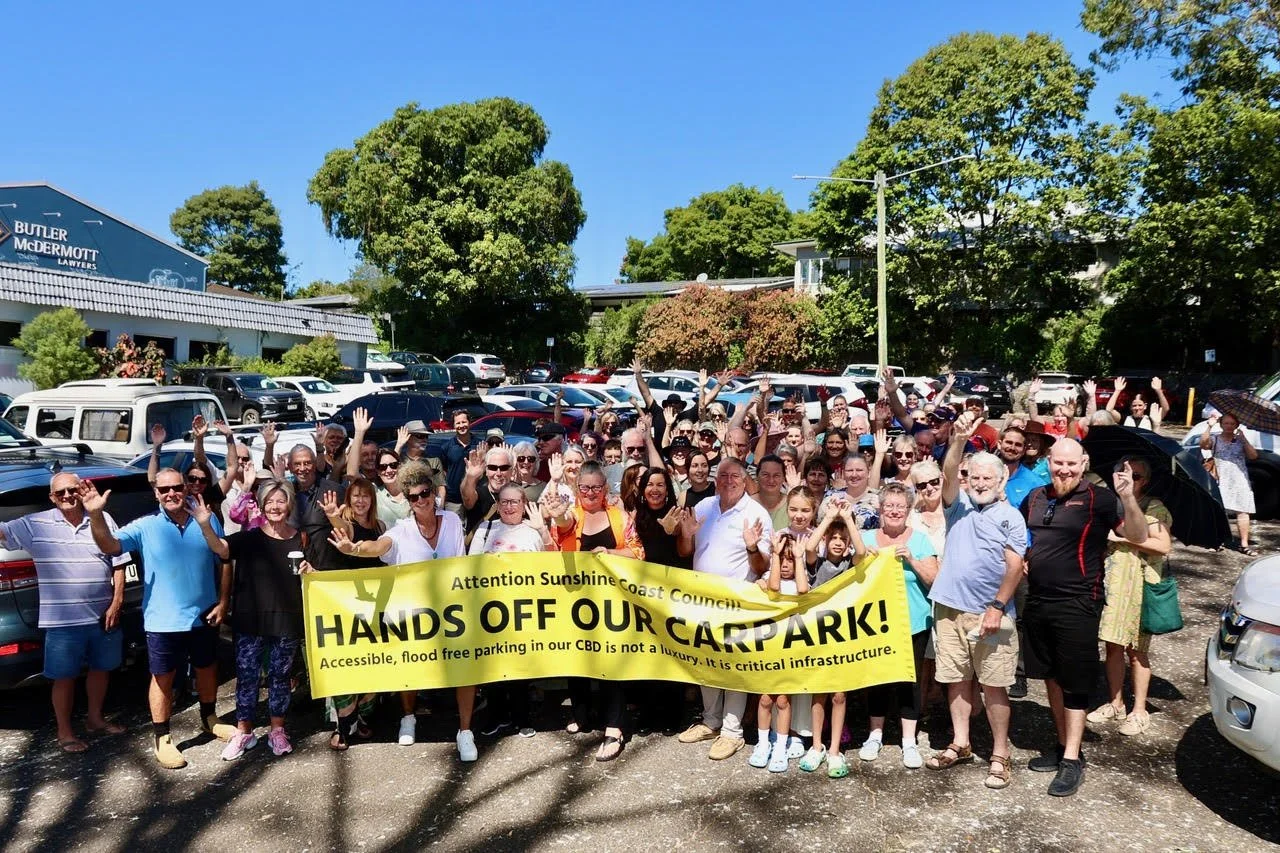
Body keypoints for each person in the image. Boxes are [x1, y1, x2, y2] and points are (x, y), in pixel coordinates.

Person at [1020, 437, 1151, 797]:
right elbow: (1019, 537)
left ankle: (1073, 760)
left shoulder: (1102, 499)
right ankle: (1063, 746)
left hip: (1079, 603)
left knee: (1075, 682)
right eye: (1058, 463)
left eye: (1072, 464)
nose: (1064, 469)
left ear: (1083, 464)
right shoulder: (1035, 497)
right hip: (1039, 601)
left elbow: (1138, 536)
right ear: (1049, 462)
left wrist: (1127, 497)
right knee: (1048, 677)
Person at [83, 470, 236, 770]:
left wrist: (223, 601)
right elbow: (110, 546)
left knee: (207, 668)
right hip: (162, 621)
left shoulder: (206, 517)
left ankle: (209, 717)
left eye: (176, 487)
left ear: (185, 488)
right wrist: (96, 516)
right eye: (163, 489)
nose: (171, 494)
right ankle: (162, 738)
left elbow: (225, 560)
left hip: (203, 613)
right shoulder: (145, 526)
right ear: (155, 493)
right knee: (163, 679)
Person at [328, 460, 475, 761]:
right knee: (411, 666)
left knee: (465, 667)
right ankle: (408, 718)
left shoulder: (451, 522)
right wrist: (355, 548)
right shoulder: (401, 529)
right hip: (412, 613)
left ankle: (465, 731)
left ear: (433, 493)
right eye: (413, 497)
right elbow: (379, 546)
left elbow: (460, 560)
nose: (420, 501)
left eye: (425, 494)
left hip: (450, 610)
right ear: (407, 500)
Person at [924, 413, 1027, 790]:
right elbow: (949, 474)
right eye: (976, 476)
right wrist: (957, 441)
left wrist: (997, 607)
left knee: (995, 685)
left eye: (989, 477)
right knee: (956, 680)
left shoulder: (1012, 517)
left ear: (1002, 482)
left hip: (991, 614)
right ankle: (961, 742)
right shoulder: (957, 506)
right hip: (949, 609)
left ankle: (1000, 753)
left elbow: (1015, 566)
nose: (981, 482)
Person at [0, 473, 127, 753]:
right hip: (63, 622)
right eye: (61, 493)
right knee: (64, 677)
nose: (68, 496)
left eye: (73, 490)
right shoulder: (34, 524)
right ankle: (65, 732)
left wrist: (117, 601)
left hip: (102, 615)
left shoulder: (102, 519)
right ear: (52, 498)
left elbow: (119, 562)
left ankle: (95, 719)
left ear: (82, 490)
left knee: (101, 669)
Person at [677, 458, 773, 760]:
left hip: (738, 604)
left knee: (734, 666)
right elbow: (684, 552)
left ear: (745, 481)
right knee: (706, 661)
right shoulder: (704, 506)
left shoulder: (756, 514)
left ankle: (732, 732)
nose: (727, 480)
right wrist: (686, 534)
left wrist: (751, 546)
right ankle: (711, 720)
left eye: (734, 476)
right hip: (702, 601)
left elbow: (763, 566)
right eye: (722, 475)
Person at [548, 462, 643, 761]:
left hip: (612, 602)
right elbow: (562, 525)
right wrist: (558, 513)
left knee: (610, 663)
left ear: (606, 489)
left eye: (596, 487)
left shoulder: (619, 516)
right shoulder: (570, 512)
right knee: (578, 657)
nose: (590, 493)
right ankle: (582, 712)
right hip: (574, 601)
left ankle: (615, 727)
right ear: (578, 489)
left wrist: (611, 553)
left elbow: (638, 553)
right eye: (584, 487)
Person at [221, 479, 312, 760]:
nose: (275, 506)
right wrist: (203, 523)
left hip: (286, 619)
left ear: (289, 505)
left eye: (280, 501)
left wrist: (311, 570)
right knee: (247, 677)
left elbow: (313, 575)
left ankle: (277, 730)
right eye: (270, 501)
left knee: (280, 678)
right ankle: (244, 732)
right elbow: (222, 550)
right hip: (251, 620)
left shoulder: (302, 538)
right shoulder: (248, 538)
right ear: (261, 505)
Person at [1088, 456, 1173, 737]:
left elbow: (1163, 546)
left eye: (1136, 476)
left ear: (1144, 481)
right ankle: (1115, 703)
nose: (1129, 479)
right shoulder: (1110, 504)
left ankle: (1139, 710)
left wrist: (1123, 539)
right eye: (1122, 473)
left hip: (1139, 587)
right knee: (1112, 646)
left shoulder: (1155, 508)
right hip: (1114, 583)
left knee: (1137, 652)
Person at [857, 482, 937, 770]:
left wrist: (912, 560)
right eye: (888, 506)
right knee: (878, 678)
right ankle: (875, 734)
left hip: (912, 622)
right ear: (880, 509)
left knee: (910, 681)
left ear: (908, 510)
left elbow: (933, 579)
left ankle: (909, 740)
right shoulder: (865, 538)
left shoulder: (920, 540)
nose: (893, 511)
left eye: (899, 507)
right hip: (875, 624)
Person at [468, 484, 554, 740]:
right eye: (504, 502)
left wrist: (543, 531)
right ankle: (495, 717)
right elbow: (470, 566)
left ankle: (522, 718)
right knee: (492, 668)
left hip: (523, 610)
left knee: (520, 668)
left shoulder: (533, 531)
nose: (509, 507)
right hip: (490, 609)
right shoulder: (485, 530)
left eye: (514, 502)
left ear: (524, 502)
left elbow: (553, 563)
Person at [799, 502, 867, 778]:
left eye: (843, 540)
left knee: (839, 694)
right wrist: (828, 518)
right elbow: (810, 547)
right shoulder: (819, 565)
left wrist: (848, 518)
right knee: (820, 692)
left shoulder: (851, 565)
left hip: (843, 637)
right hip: (818, 636)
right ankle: (817, 745)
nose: (838, 543)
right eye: (834, 538)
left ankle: (835, 749)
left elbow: (862, 552)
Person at [318, 478, 385, 750]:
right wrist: (334, 516)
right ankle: (343, 726)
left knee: (372, 663)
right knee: (347, 664)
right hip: (345, 605)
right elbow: (345, 532)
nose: (360, 501)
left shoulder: (380, 527)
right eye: (355, 496)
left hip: (374, 605)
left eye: (365, 496)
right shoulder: (348, 524)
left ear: (372, 499)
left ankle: (363, 717)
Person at [748, 531, 810, 773]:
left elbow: (804, 590)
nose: (785, 565)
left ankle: (781, 746)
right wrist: (774, 554)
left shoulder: (799, 582)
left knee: (783, 700)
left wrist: (800, 558)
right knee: (764, 699)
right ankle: (763, 744)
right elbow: (773, 588)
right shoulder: (766, 578)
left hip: (790, 651)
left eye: (789, 560)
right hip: (767, 650)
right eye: (781, 560)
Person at [1201, 413, 1259, 555]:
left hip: (1240, 478)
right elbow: (1203, 444)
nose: (1229, 426)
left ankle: (1244, 544)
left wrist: (1244, 439)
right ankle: (1217, 540)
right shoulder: (1215, 438)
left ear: (1236, 425)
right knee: (1219, 510)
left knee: (1243, 510)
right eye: (1226, 423)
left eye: (1232, 424)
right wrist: (1209, 426)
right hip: (1221, 477)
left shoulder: (1240, 440)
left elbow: (1253, 456)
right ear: (1221, 424)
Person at [439, 410, 480, 516]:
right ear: (453, 425)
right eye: (458, 423)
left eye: (464, 422)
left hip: (475, 498)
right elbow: (443, 471)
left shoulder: (479, 445)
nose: (461, 426)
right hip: (453, 500)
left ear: (469, 422)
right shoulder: (446, 447)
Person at [1106, 376, 1171, 432]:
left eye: (1140, 405)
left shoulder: (1152, 417)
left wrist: (1159, 391)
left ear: (1145, 406)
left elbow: (1166, 409)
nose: (1137, 408)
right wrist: (1117, 390)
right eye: (1134, 406)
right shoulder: (1125, 418)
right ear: (1131, 407)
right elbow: (1109, 410)